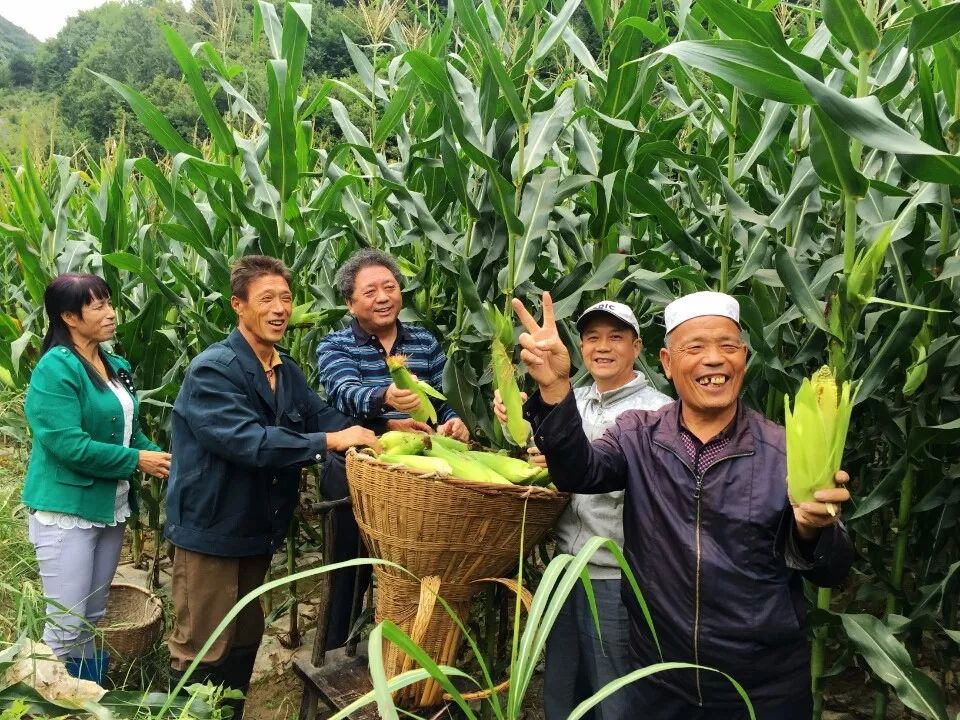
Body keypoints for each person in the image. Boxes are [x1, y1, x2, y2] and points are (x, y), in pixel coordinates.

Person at [513, 290, 854, 720]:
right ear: (668, 363)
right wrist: (556, 388)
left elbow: (833, 569)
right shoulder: (638, 434)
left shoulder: (784, 451)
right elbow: (581, 472)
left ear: (744, 359)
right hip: (658, 682)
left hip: (761, 686)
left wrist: (813, 529)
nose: (714, 359)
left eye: (727, 347)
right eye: (695, 348)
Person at [164, 256, 383, 717]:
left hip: (256, 531)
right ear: (238, 306)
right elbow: (249, 442)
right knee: (203, 648)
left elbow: (324, 416)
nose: (280, 308)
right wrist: (329, 440)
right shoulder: (214, 370)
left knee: (243, 641)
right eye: (267, 298)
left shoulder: (286, 371)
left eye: (286, 298)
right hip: (213, 532)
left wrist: (390, 434)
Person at [494, 301, 671, 720]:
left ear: (637, 347)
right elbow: (539, 452)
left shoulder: (659, 413)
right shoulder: (567, 399)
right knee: (563, 685)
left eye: (616, 337)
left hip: (614, 574)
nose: (602, 347)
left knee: (614, 690)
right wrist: (513, 418)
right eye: (592, 337)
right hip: (563, 569)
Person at [314, 248, 468, 648]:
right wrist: (385, 398)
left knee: (413, 568)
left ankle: (405, 651)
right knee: (350, 568)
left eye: (390, 287)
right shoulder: (335, 345)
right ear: (350, 303)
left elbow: (440, 399)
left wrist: (454, 420)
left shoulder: (424, 342)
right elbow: (344, 392)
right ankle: (335, 650)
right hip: (354, 469)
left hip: (415, 473)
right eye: (370, 291)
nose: (383, 297)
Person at [22, 273, 171, 685]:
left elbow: (126, 425)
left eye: (109, 302)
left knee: (91, 616)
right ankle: (43, 703)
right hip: (65, 511)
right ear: (69, 316)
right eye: (99, 306)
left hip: (110, 506)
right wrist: (135, 460)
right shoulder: (55, 370)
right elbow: (67, 445)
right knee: (66, 623)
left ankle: (86, 694)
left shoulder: (113, 363)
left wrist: (151, 453)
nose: (111, 313)